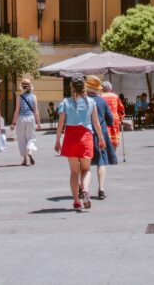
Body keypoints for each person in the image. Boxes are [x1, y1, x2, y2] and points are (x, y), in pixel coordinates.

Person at [54, 75, 106, 211]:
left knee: (74, 172)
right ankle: (86, 189)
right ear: (85, 87)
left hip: (70, 137)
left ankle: (76, 201)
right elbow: (95, 122)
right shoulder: (91, 102)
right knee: (86, 169)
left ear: (71, 87)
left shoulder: (65, 102)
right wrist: (101, 138)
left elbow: (61, 123)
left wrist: (57, 140)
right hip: (86, 137)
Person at [86, 76, 118, 199]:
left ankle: (84, 188)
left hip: (86, 134)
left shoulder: (82, 100)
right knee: (101, 162)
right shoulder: (101, 101)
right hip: (101, 135)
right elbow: (110, 119)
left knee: (85, 165)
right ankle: (101, 189)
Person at [12, 79, 41, 166]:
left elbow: (17, 111)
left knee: (21, 138)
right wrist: (38, 123)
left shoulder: (19, 97)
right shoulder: (33, 97)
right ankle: (30, 151)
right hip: (31, 118)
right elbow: (36, 111)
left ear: (22, 87)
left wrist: (13, 122)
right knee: (30, 137)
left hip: (21, 118)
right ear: (30, 87)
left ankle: (25, 159)